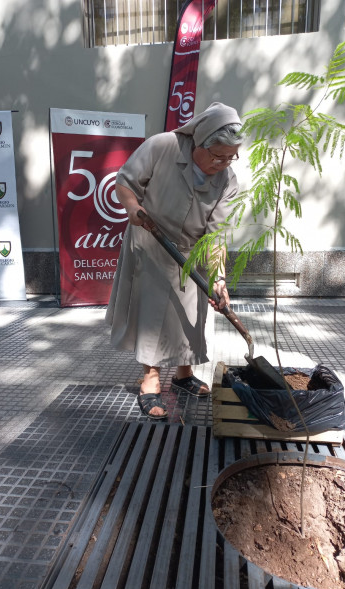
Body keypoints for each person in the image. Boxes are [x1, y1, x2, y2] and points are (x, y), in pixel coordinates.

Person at [105, 102, 244, 420]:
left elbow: (217, 234)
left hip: (191, 249)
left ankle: (183, 375)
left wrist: (219, 277)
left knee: (191, 313)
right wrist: (132, 209)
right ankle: (150, 381)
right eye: (218, 155)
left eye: (230, 157)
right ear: (201, 142)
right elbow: (125, 182)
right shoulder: (162, 146)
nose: (223, 163)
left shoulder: (227, 181)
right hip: (151, 241)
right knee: (153, 314)